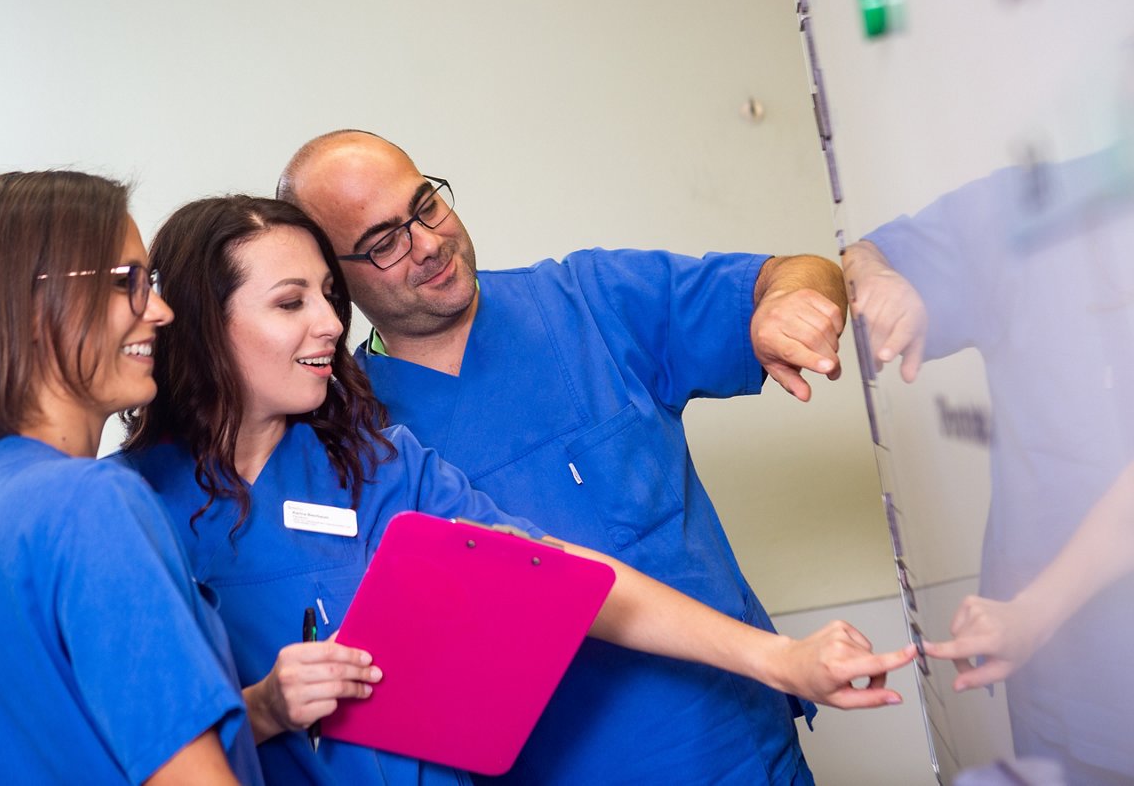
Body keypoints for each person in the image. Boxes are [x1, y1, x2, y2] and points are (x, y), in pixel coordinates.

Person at [120, 194, 911, 786]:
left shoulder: (378, 461)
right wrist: (260, 709)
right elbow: (107, 740)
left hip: (722, 747)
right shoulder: (126, 508)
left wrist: (781, 660)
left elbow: (560, 576)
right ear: (196, 322)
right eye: (291, 302)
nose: (328, 323)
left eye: (327, 296)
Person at [275, 130, 861, 783]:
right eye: (386, 242)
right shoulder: (350, 440)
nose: (430, 242)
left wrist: (787, 303)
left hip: (735, 749)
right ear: (333, 282)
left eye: (427, 204)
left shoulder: (591, 303)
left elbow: (795, 271)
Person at [0, 171, 264, 784]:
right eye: (127, 281)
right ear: (30, 306)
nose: (160, 309)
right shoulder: (89, 503)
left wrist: (267, 711)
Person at [842, 147, 1134, 783]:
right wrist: (884, 282)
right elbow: (863, 257)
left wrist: (1034, 612)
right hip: (1076, 696)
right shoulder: (1038, 211)